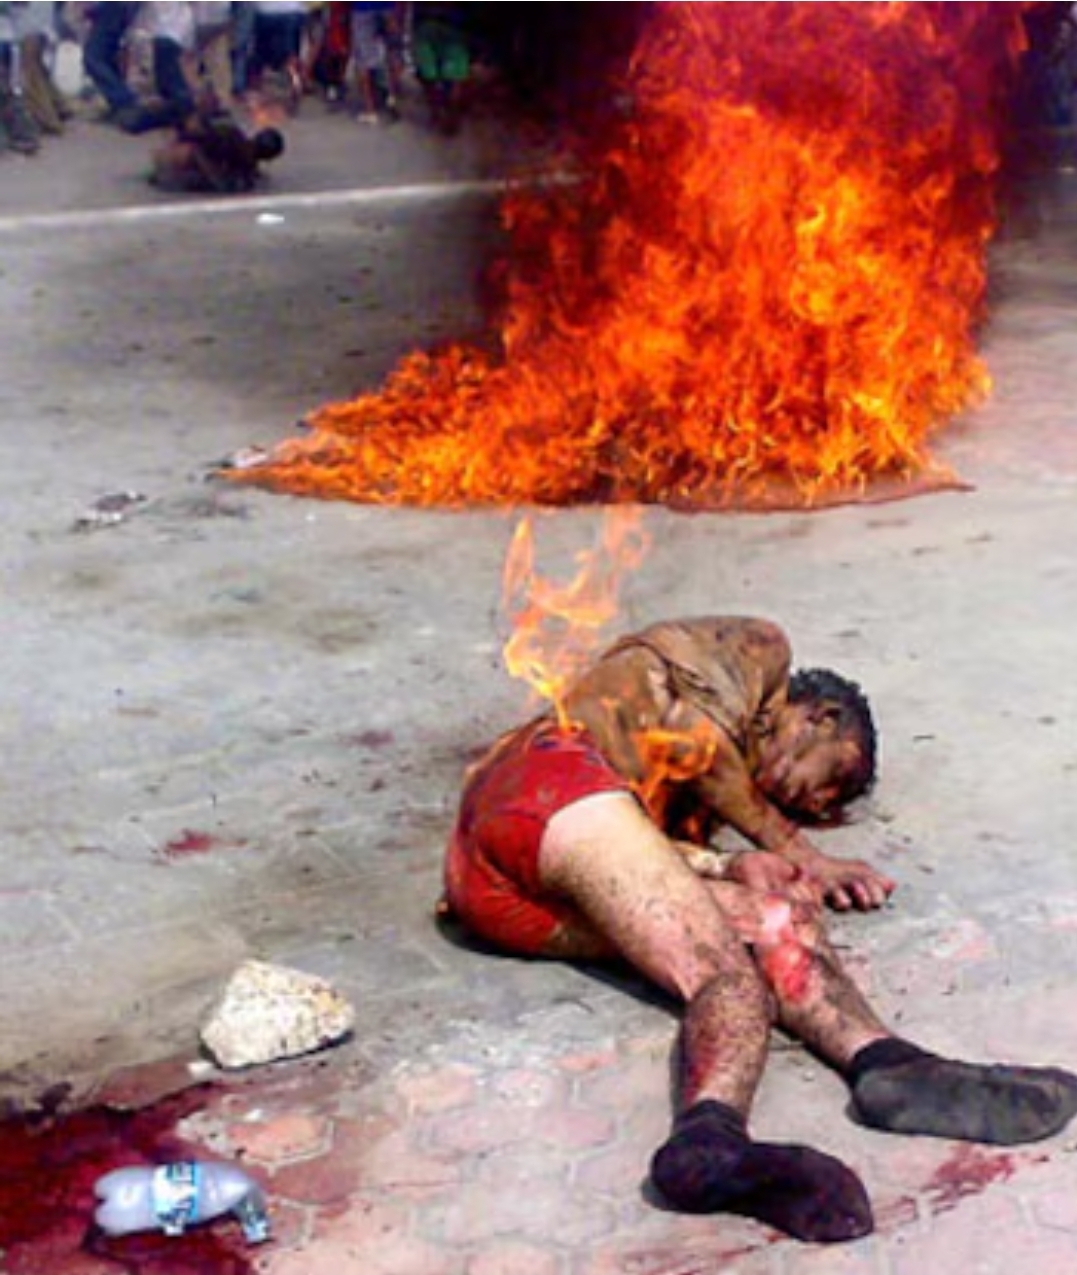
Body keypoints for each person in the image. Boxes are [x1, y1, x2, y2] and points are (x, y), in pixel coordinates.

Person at [443, 615, 1077, 1244]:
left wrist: (727, 864)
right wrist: (800, 852)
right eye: (834, 775)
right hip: (546, 783)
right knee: (720, 971)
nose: (818, 799)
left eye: (829, 804)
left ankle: (886, 1063)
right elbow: (692, 740)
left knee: (776, 919)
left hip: (513, 895)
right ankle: (706, 1141)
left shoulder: (691, 792)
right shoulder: (758, 653)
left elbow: (627, 853)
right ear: (820, 718)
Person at [149, 96, 283, 192]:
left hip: (180, 162)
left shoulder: (240, 150)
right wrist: (215, 177)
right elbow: (196, 147)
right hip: (178, 163)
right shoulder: (233, 138)